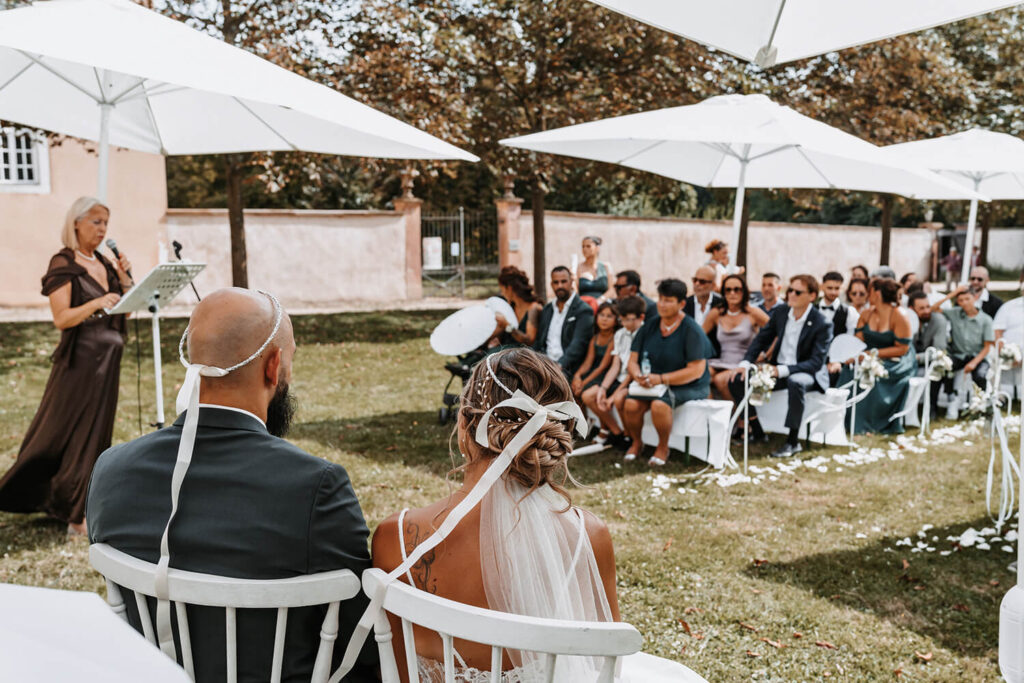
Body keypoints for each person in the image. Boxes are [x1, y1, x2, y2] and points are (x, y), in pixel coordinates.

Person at [87, 288, 378, 682]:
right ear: (274, 366)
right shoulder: (317, 487)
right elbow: (359, 641)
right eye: (290, 358)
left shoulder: (111, 469)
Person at [370, 348, 698, 682]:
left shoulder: (395, 536)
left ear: (466, 425)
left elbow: (397, 670)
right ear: (557, 435)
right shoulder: (590, 535)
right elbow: (603, 664)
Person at [0, 197, 132, 536]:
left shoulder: (104, 262)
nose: (103, 230)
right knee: (63, 435)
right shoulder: (64, 263)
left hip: (107, 366)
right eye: (96, 222)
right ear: (76, 222)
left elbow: (124, 313)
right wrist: (96, 303)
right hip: (79, 366)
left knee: (95, 437)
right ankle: (65, 510)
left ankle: (76, 506)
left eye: (106, 223)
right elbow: (62, 319)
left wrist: (124, 279)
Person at [728, 275, 832, 458]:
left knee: (796, 382)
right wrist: (745, 363)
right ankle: (758, 432)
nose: (791, 294)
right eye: (790, 290)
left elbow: (816, 362)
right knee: (737, 379)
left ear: (812, 296)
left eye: (797, 292)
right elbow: (761, 340)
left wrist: (781, 370)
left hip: (807, 372)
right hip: (777, 369)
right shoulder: (781, 313)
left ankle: (792, 442)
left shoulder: (822, 322)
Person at [623, 279, 712, 467]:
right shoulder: (650, 325)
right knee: (630, 404)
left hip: (690, 385)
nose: (662, 304)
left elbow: (696, 371)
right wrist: (638, 375)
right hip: (652, 383)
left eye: (668, 300)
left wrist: (662, 379)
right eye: (660, 299)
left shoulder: (691, 330)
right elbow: (632, 360)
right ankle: (637, 442)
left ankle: (663, 447)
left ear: (681, 304)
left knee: (659, 405)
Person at [838, 278, 916, 434]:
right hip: (869, 356)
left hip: (897, 360)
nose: (867, 294)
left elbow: (902, 348)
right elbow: (858, 342)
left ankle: (871, 422)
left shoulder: (899, 316)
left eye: (870, 290)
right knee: (850, 370)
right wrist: (855, 355)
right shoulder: (866, 314)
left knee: (873, 375)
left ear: (877, 293)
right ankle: (843, 420)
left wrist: (872, 354)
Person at [932, 284, 995, 418]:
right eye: (961, 300)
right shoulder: (955, 313)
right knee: (942, 368)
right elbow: (934, 308)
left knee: (980, 375)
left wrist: (973, 363)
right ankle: (946, 402)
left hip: (979, 356)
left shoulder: (986, 320)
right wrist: (953, 293)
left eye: (967, 299)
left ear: (975, 298)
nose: (964, 303)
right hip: (959, 355)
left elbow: (987, 346)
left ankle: (980, 406)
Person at [702, 275, 769, 401]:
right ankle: (712, 415)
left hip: (744, 362)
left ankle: (737, 417)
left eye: (737, 289)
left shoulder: (753, 313)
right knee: (702, 374)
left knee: (720, 379)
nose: (732, 293)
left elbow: (777, 333)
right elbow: (698, 336)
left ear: (744, 291)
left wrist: (766, 355)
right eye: (728, 290)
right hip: (722, 361)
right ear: (723, 293)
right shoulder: (717, 313)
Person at [594, 296, 647, 451]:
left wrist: (613, 394)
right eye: (622, 320)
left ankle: (630, 437)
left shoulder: (644, 333)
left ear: (640, 317)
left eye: (629, 320)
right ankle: (617, 432)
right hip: (620, 377)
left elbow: (633, 370)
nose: (625, 324)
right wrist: (604, 388)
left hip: (635, 378)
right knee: (592, 395)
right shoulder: (620, 334)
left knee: (617, 399)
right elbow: (615, 365)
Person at [574, 302, 622, 444]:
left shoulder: (614, 338)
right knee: (573, 388)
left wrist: (584, 382)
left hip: (608, 376)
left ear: (615, 320)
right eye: (601, 315)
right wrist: (577, 376)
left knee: (586, 394)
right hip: (595, 373)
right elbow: (588, 362)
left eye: (609, 316)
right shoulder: (595, 338)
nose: (604, 319)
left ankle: (611, 429)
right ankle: (585, 425)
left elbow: (602, 366)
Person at [534, 266, 595, 379]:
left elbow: (578, 344)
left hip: (568, 367)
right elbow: (540, 341)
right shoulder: (547, 309)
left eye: (563, 281)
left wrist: (558, 365)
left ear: (571, 282)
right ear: (551, 284)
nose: (560, 286)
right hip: (545, 364)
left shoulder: (583, 310)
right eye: (556, 282)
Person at [910, 290, 950, 413]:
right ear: (911, 309)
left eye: (928, 306)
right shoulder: (906, 320)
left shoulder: (939, 321)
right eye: (921, 308)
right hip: (908, 360)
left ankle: (931, 407)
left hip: (930, 360)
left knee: (937, 367)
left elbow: (939, 351)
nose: (927, 311)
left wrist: (917, 357)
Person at [493, 265, 543, 347]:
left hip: (523, 353)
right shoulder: (511, 307)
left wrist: (507, 325)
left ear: (509, 288)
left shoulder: (533, 308)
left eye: (502, 290)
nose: (502, 293)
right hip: (508, 349)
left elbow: (529, 340)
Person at [575, 235, 614, 304]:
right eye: (583, 246)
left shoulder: (606, 266)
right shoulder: (578, 267)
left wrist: (599, 301)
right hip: (583, 304)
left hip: (603, 304)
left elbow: (612, 289)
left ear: (597, 248)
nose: (584, 249)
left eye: (588, 246)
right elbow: (575, 290)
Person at [818, 271, 857, 336]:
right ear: (822, 287)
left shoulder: (850, 312)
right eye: (829, 288)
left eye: (837, 288)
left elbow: (851, 337)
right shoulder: (813, 309)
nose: (833, 292)